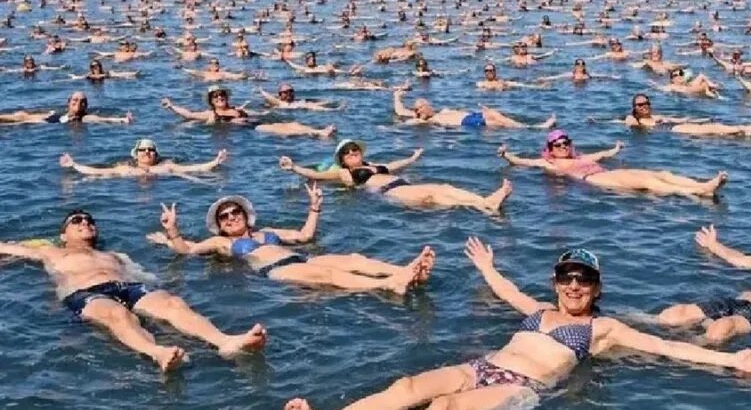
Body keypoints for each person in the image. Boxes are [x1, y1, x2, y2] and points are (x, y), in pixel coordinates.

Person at [281, 237, 751, 410]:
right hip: (483, 366)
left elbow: (671, 350)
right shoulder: (540, 310)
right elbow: (507, 292)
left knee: (446, 408)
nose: (575, 287)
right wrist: (487, 268)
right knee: (406, 385)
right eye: (567, 278)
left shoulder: (605, 330)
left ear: (598, 288)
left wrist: (730, 359)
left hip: (523, 387)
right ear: (556, 282)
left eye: (584, 280)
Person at [0, 210, 266, 372]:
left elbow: (145, 276)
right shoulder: (49, 251)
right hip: (85, 294)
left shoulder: (115, 254)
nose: (86, 223)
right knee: (118, 315)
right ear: (63, 234)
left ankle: (225, 342)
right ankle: (158, 353)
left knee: (172, 303)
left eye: (90, 220)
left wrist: (171, 274)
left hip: (127, 286)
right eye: (77, 220)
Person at [151, 186, 434, 293]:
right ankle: (387, 285)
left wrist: (314, 208)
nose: (230, 218)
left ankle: (405, 271)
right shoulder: (220, 243)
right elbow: (187, 250)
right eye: (224, 217)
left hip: (301, 257)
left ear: (244, 214)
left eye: (234, 212)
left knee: (352, 259)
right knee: (329, 276)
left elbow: (304, 235)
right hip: (276, 270)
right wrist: (172, 231)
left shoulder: (268, 231)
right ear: (220, 225)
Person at [279, 139, 513, 215]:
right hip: (388, 193)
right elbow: (316, 175)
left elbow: (393, 165)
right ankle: (486, 204)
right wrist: (294, 168)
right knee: (432, 195)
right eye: (347, 152)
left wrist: (413, 158)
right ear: (341, 158)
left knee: (443, 186)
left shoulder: (372, 164)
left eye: (355, 149)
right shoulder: (343, 173)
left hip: (401, 184)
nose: (352, 153)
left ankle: (484, 204)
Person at [498, 129, 728, 198]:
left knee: (661, 172)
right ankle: (697, 192)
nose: (563, 147)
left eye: (566, 143)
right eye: (558, 145)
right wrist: (507, 156)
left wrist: (615, 149)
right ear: (550, 149)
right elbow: (522, 162)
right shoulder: (549, 163)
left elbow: (601, 155)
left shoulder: (578, 157)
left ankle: (701, 186)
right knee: (647, 182)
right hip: (594, 180)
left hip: (607, 173)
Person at [161, 87, 336, 138]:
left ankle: (319, 132)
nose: (220, 98)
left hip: (255, 123)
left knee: (292, 124)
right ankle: (317, 134)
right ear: (211, 101)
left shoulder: (238, 109)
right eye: (216, 97)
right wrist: (171, 106)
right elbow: (189, 114)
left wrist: (268, 110)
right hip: (249, 132)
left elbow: (257, 114)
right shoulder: (211, 115)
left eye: (222, 96)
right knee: (284, 130)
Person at [59, 138, 228, 178]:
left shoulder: (167, 167)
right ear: (136, 153)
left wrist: (215, 162)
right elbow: (97, 172)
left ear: (156, 154)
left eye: (150, 150)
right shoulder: (125, 169)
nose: (147, 152)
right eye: (143, 150)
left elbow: (193, 169)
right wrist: (74, 165)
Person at [393, 90, 555, 129]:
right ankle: (533, 128)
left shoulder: (441, 111)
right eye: (416, 109)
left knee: (495, 117)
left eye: (420, 107)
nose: (418, 111)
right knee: (495, 117)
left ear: (429, 106)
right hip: (467, 123)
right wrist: (396, 98)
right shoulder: (422, 120)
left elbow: (401, 110)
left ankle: (529, 127)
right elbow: (401, 113)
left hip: (473, 117)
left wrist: (398, 96)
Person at [624, 93, 751, 137]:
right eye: (640, 105)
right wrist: (632, 119)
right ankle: (743, 129)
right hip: (668, 130)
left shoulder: (657, 116)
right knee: (706, 131)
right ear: (634, 108)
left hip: (675, 125)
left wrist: (701, 119)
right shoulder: (634, 119)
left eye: (646, 103)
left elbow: (682, 119)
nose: (644, 106)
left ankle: (742, 130)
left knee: (711, 126)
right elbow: (629, 123)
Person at [0, 91, 132, 125]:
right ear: (68, 102)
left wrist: (122, 120)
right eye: (75, 100)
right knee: (22, 115)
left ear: (86, 106)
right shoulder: (60, 112)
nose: (78, 103)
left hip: (57, 125)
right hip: (57, 119)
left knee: (22, 123)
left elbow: (104, 119)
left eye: (82, 101)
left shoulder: (85, 118)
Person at [259, 83, 342, 111]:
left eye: (291, 91)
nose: (288, 93)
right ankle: (334, 110)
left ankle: (333, 110)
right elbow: (267, 96)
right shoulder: (279, 104)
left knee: (309, 105)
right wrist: (260, 90)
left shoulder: (299, 101)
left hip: (299, 107)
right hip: (287, 109)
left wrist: (329, 102)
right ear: (280, 95)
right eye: (285, 92)